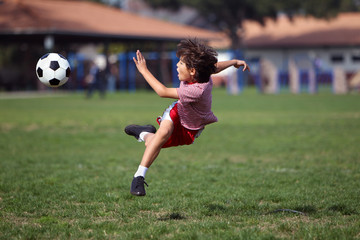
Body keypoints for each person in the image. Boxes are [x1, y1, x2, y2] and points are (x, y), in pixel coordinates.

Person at [125, 39, 250, 196]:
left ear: (192, 71)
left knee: (153, 143)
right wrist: (234, 62)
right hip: (177, 113)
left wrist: (144, 70)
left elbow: (162, 91)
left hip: (190, 127)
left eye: (181, 63)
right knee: (163, 134)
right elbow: (214, 67)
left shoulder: (197, 90)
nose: (177, 65)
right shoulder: (201, 73)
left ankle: (144, 133)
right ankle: (138, 178)